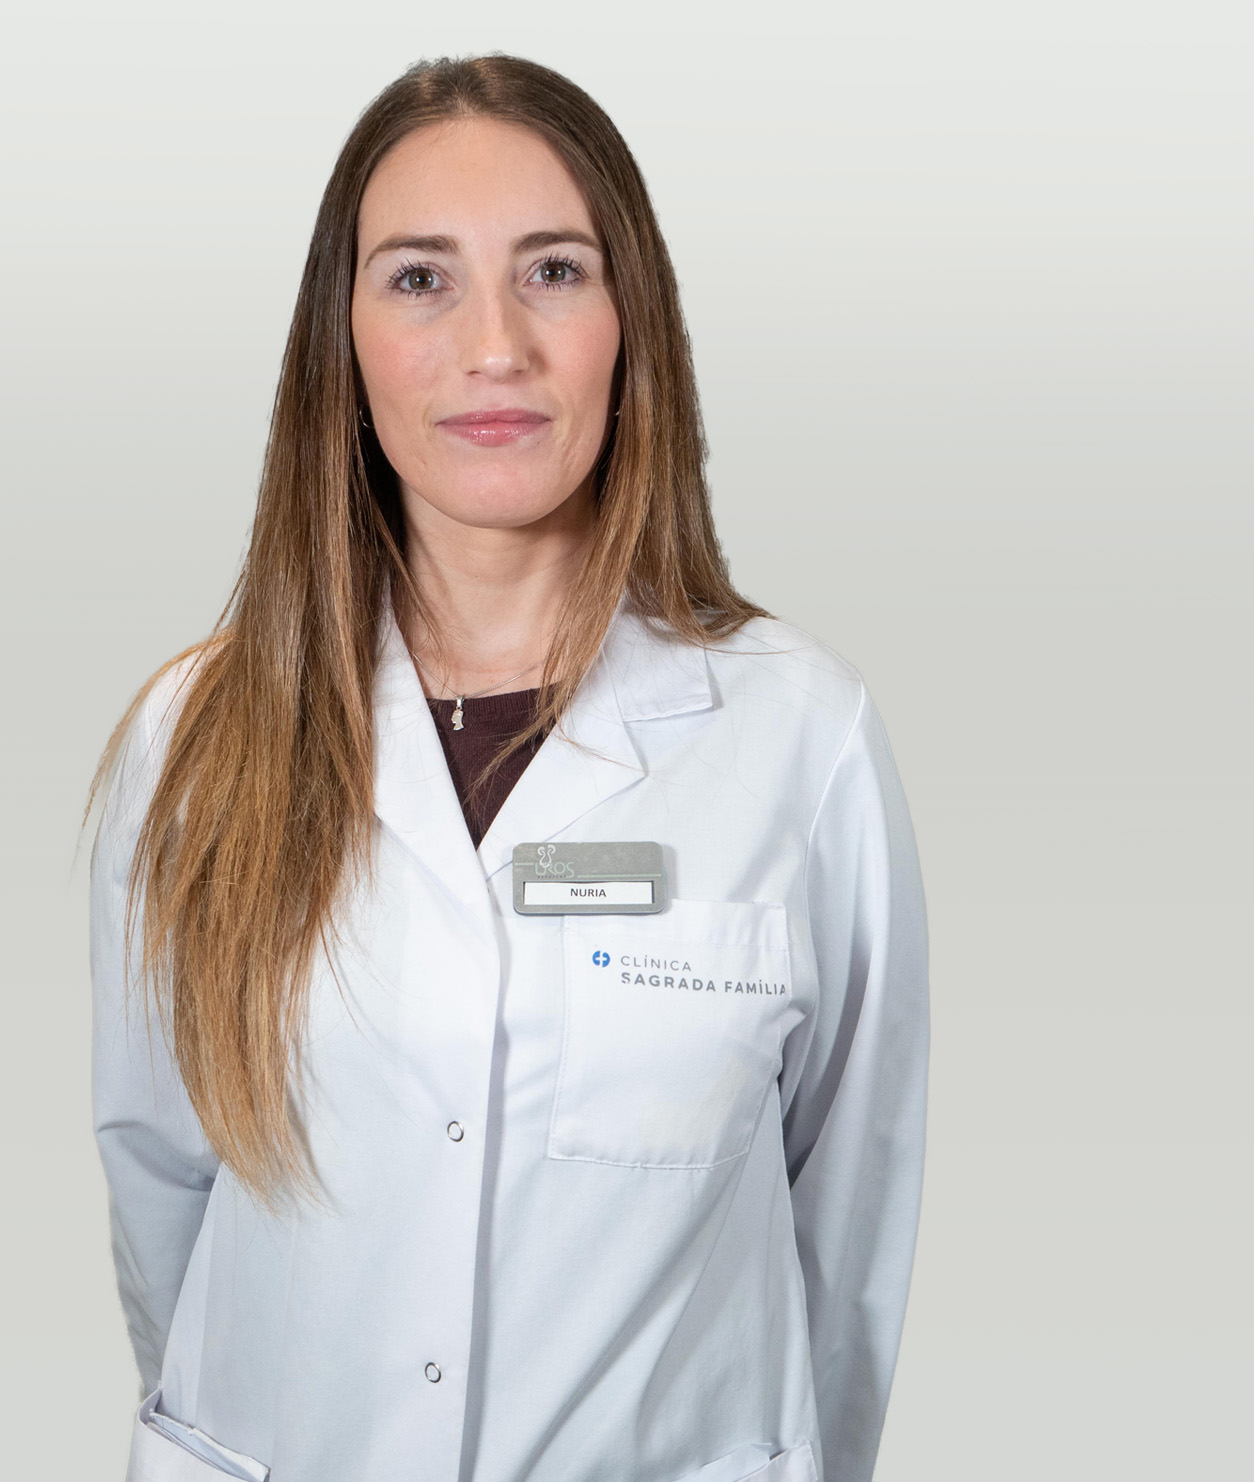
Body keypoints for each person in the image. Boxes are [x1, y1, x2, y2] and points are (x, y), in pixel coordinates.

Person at [89, 54, 927, 1482]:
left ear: (631, 322)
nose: (495, 346)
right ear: (342, 341)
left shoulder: (801, 736)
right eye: (421, 278)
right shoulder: (199, 733)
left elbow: (848, 1234)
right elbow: (162, 1183)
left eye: (552, 271)